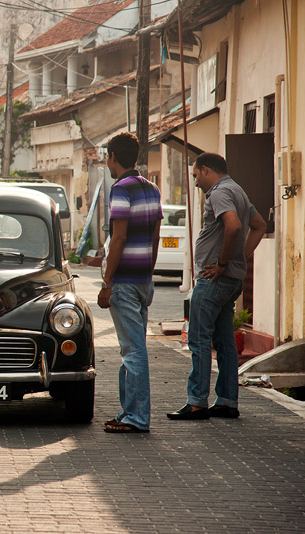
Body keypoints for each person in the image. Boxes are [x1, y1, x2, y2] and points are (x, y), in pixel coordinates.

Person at [167, 153, 266, 421]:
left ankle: (196, 402)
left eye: (196, 175)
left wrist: (223, 262)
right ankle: (226, 401)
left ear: (207, 170)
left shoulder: (219, 192)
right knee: (224, 342)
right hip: (231, 280)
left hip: (215, 279)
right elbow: (259, 225)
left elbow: (233, 226)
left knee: (198, 339)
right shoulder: (239, 191)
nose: (196, 182)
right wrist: (240, 258)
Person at [97, 132, 163, 434]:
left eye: (107, 157)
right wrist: (148, 270)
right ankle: (128, 413)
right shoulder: (152, 188)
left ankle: (137, 417)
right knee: (130, 349)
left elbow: (119, 238)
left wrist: (108, 280)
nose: (107, 163)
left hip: (123, 280)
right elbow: (155, 236)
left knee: (133, 351)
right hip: (143, 279)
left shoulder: (121, 189)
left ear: (113, 156)